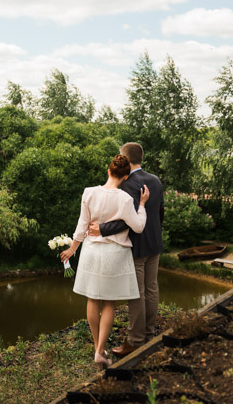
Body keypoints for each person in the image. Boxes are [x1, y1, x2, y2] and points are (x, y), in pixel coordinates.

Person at [59, 154, 149, 368]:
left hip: (91, 251)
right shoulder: (126, 199)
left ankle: (97, 347)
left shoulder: (89, 193)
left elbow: (82, 225)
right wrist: (142, 205)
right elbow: (137, 227)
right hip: (115, 254)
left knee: (92, 298)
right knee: (109, 302)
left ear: (108, 171)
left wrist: (72, 249)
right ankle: (100, 351)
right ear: (126, 177)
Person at [88, 142, 164, 357]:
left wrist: (102, 229)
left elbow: (126, 220)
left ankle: (135, 340)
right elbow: (160, 212)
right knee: (151, 289)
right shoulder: (156, 180)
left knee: (136, 294)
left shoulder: (129, 183)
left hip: (138, 245)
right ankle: (149, 333)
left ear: (125, 158)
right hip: (155, 243)